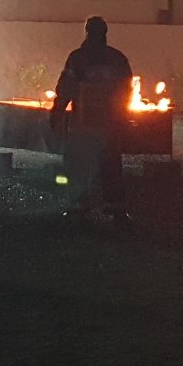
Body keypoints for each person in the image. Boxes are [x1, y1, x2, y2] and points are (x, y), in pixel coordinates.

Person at [50, 15, 133, 220]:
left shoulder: (77, 58)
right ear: (105, 33)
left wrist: (57, 113)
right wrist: (122, 117)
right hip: (109, 124)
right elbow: (126, 91)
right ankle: (116, 210)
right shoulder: (118, 59)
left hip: (83, 124)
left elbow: (66, 88)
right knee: (111, 165)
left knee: (79, 165)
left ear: (87, 32)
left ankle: (79, 208)